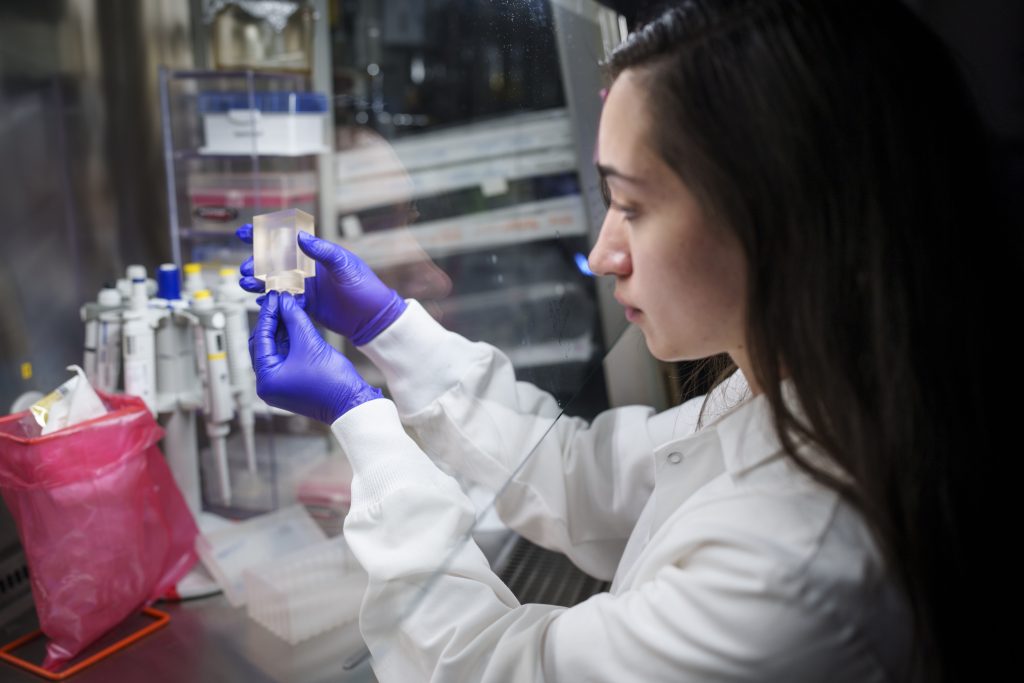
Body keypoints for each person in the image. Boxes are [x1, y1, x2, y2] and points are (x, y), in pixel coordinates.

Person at [239, 0, 1012, 680]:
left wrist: (361, 421)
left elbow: (486, 668)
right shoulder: (805, 388)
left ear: (788, 220)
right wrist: (387, 327)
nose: (605, 252)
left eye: (632, 206)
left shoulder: (796, 570)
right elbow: (585, 477)